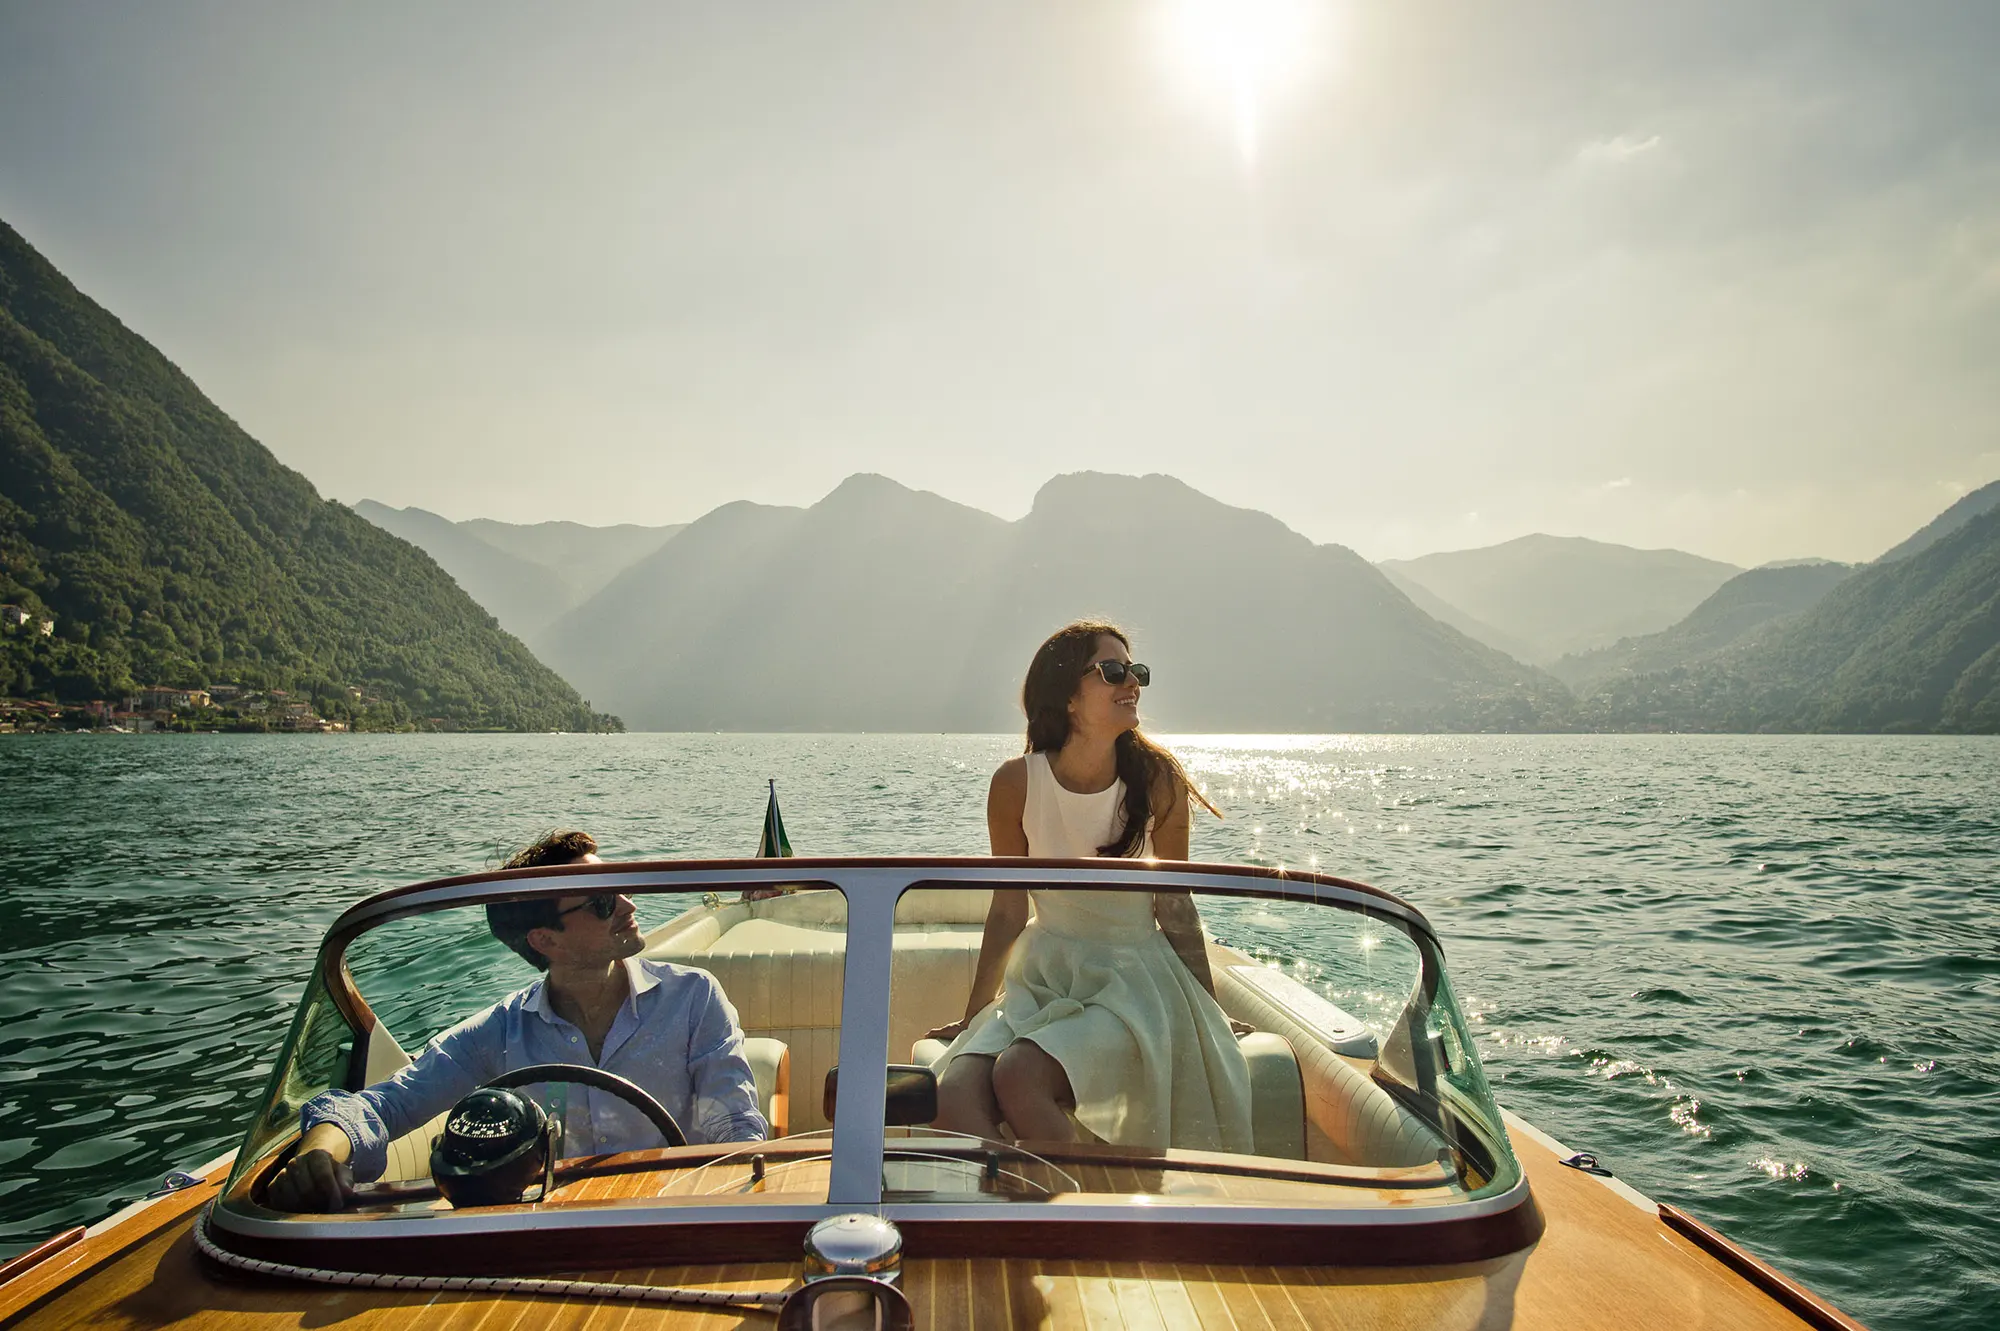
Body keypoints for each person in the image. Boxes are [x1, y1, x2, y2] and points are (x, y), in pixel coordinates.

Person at [268, 830, 767, 1211]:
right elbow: (385, 1105)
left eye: (618, 888)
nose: (628, 905)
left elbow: (734, 1129)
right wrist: (321, 1150)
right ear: (545, 941)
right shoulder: (498, 1033)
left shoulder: (694, 998)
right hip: (548, 1230)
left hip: (673, 1214)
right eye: (601, 901)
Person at [922, 621, 1255, 1153]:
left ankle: (1082, 1221)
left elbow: (1176, 908)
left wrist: (1207, 1013)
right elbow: (1008, 911)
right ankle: (1028, 1217)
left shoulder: (1159, 781)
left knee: (1018, 1076)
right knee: (951, 1100)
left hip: (1134, 981)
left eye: (1136, 671)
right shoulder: (1014, 783)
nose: (1133, 683)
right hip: (1044, 979)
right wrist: (973, 1016)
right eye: (1113, 671)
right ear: (1068, 696)